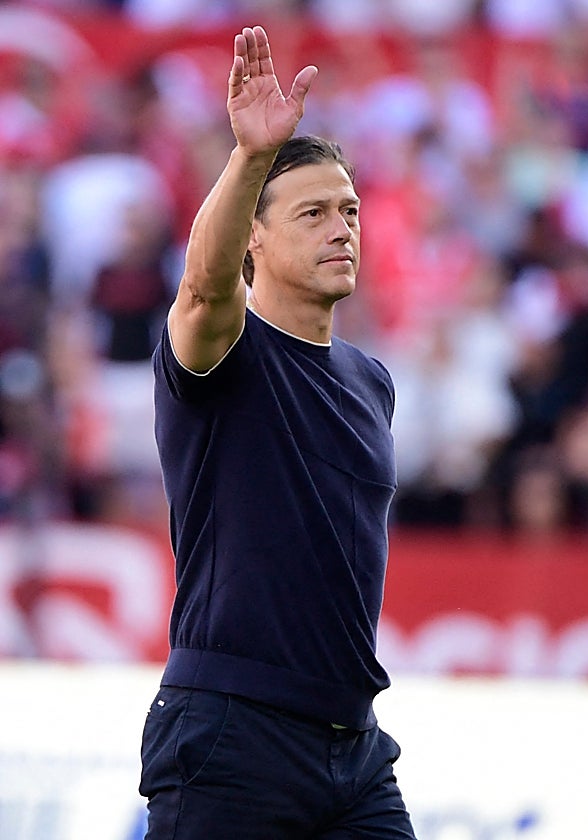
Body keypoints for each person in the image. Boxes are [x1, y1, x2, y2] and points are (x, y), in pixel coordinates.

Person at [139, 26, 417, 839]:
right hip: (231, 736)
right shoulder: (223, 348)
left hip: (355, 748)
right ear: (254, 237)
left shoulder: (373, 383)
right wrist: (250, 159)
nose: (342, 228)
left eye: (350, 210)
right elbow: (201, 287)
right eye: (314, 213)